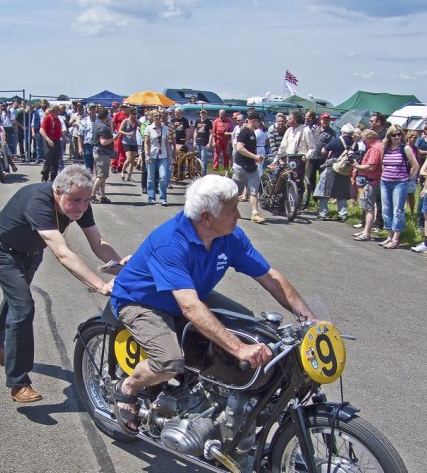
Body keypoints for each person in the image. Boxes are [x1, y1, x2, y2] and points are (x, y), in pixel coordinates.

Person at [110, 174, 315, 434]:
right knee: (170, 362)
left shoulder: (229, 237)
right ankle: (128, 387)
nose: (238, 215)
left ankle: (216, 393)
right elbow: (190, 307)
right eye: (231, 210)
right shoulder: (170, 242)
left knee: (252, 328)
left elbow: (270, 277)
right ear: (207, 217)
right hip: (142, 301)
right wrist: (238, 349)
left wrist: (309, 320)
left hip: (192, 293)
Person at [0, 165, 128, 403]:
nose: (81, 206)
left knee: (16, 299)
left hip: (30, 253)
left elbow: (98, 243)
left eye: (87, 200)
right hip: (1, 252)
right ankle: (19, 383)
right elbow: (62, 253)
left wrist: (124, 267)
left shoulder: (80, 203)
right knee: (23, 306)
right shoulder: (37, 201)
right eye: (76, 200)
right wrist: (100, 285)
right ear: (58, 192)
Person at [378, 126, 418, 249]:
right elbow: (382, 163)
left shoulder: (405, 148)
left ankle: (396, 238)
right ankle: (389, 235)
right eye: (394, 135)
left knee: (398, 210)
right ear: (389, 136)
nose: (397, 137)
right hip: (385, 181)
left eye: (399, 134)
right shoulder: (385, 148)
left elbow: (415, 165)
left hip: (400, 183)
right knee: (385, 209)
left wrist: (408, 177)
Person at [313, 123, 357, 221]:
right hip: (346, 169)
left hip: (332, 167)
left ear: (343, 132)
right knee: (342, 192)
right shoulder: (355, 144)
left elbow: (324, 150)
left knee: (324, 190)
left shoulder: (337, 140)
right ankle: (343, 214)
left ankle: (323, 213)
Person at [232, 111, 266, 223]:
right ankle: (229, 211)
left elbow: (252, 151)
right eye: (259, 121)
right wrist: (254, 156)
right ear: (253, 120)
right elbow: (239, 148)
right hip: (241, 167)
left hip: (252, 167)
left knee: (254, 191)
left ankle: (255, 213)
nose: (260, 123)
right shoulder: (244, 132)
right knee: (235, 193)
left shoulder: (253, 134)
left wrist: (258, 158)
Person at [350, 130, 383, 241]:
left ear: (370, 138)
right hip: (374, 180)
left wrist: (357, 166)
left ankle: (367, 232)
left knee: (369, 207)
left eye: (364, 140)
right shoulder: (379, 146)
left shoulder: (375, 148)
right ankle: (366, 230)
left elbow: (371, 166)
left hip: (371, 180)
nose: (363, 142)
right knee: (368, 206)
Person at [144, 111, 172, 205]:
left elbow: (167, 142)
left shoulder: (165, 128)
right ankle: (151, 197)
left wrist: (169, 156)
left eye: (160, 116)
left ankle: (163, 198)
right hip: (152, 155)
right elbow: (146, 143)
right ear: (152, 117)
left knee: (163, 177)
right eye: (156, 116)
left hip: (162, 155)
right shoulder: (149, 128)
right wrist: (147, 155)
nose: (159, 117)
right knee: (151, 177)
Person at [91, 107, 117, 204]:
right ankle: (92, 195)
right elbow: (103, 142)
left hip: (99, 152)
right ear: (106, 116)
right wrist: (114, 138)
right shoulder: (103, 127)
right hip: (102, 152)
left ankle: (103, 196)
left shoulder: (98, 124)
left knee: (102, 175)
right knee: (102, 176)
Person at [39, 105, 62, 182]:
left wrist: (64, 137)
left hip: (57, 141)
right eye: (57, 110)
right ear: (53, 110)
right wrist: (48, 140)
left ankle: (53, 177)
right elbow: (41, 130)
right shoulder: (48, 118)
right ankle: (45, 176)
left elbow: (59, 130)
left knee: (56, 160)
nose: (59, 111)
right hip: (49, 140)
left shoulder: (57, 119)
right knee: (48, 159)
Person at [118, 108, 138, 181]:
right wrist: (127, 133)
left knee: (132, 160)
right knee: (129, 159)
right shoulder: (125, 121)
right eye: (133, 114)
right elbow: (120, 131)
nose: (135, 115)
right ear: (130, 114)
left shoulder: (136, 121)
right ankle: (123, 171)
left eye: (136, 114)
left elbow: (143, 126)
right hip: (126, 142)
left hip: (134, 142)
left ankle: (129, 176)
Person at [193, 109, 213, 175]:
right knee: (197, 158)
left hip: (204, 142)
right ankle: (197, 172)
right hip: (197, 142)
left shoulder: (209, 122)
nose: (203, 115)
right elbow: (195, 131)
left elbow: (211, 133)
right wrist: (194, 140)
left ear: (206, 114)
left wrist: (209, 143)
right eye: (201, 113)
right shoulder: (197, 121)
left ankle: (203, 173)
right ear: (200, 114)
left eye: (204, 113)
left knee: (203, 158)